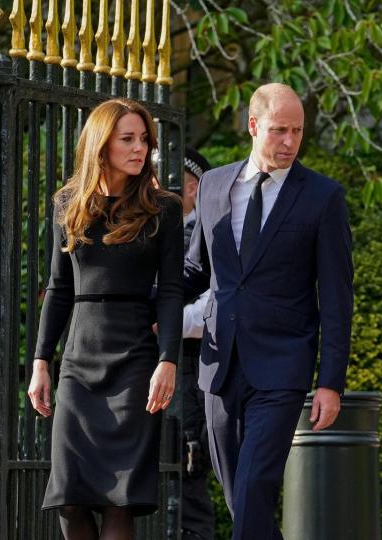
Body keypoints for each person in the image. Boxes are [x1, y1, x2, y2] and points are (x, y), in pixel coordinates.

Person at [183, 82, 354, 539]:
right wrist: (138, 296)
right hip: (218, 364)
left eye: (297, 131)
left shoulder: (323, 196)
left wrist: (330, 382)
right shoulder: (215, 184)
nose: (290, 142)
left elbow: (337, 298)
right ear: (253, 126)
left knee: (256, 484)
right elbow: (196, 269)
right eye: (279, 130)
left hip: (282, 365)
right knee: (239, 494)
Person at [28, 98, 184, 539]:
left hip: (135, 362)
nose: (141, 149)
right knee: (69, 496)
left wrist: (167, 360)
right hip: (78, 363)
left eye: (144, 140)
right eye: (128, 139)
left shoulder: (163, 208)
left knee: (120, 499)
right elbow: (59, 288)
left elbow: (171, 290)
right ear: (102, 144)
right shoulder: (68, 203)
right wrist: (41, 361)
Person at [178, 147, 216, 539]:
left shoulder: (211, 231)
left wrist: (163, 321)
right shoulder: (147, 227)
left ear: (191, 187)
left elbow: (212, 310)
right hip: (143, 364)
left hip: (189, 368)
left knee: (189, 467)